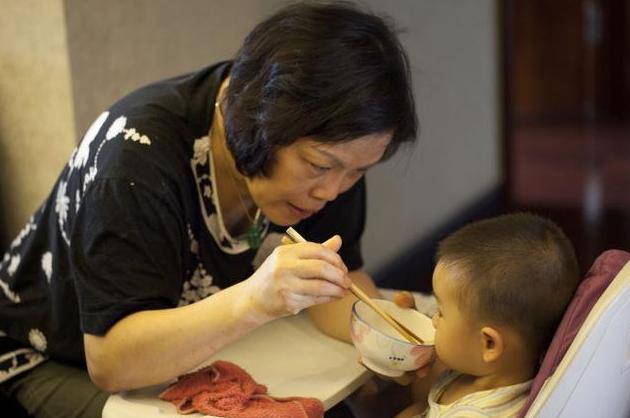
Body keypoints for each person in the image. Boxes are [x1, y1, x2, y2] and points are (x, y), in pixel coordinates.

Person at [0, 2, 417, 417]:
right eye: (320, 166)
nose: (332, 191)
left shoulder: (330, 156)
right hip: (46, 359)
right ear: (261, 121)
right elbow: (112, 361)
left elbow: (333, 284)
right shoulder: (135, 160)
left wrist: (386, 336)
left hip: (187, 352)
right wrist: (255, 301)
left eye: (358, 172)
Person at [395, 213, 581, 418]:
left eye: (441, 312)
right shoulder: (477, 369)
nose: (433, 320)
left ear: (489, 344)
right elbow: (426, 404)